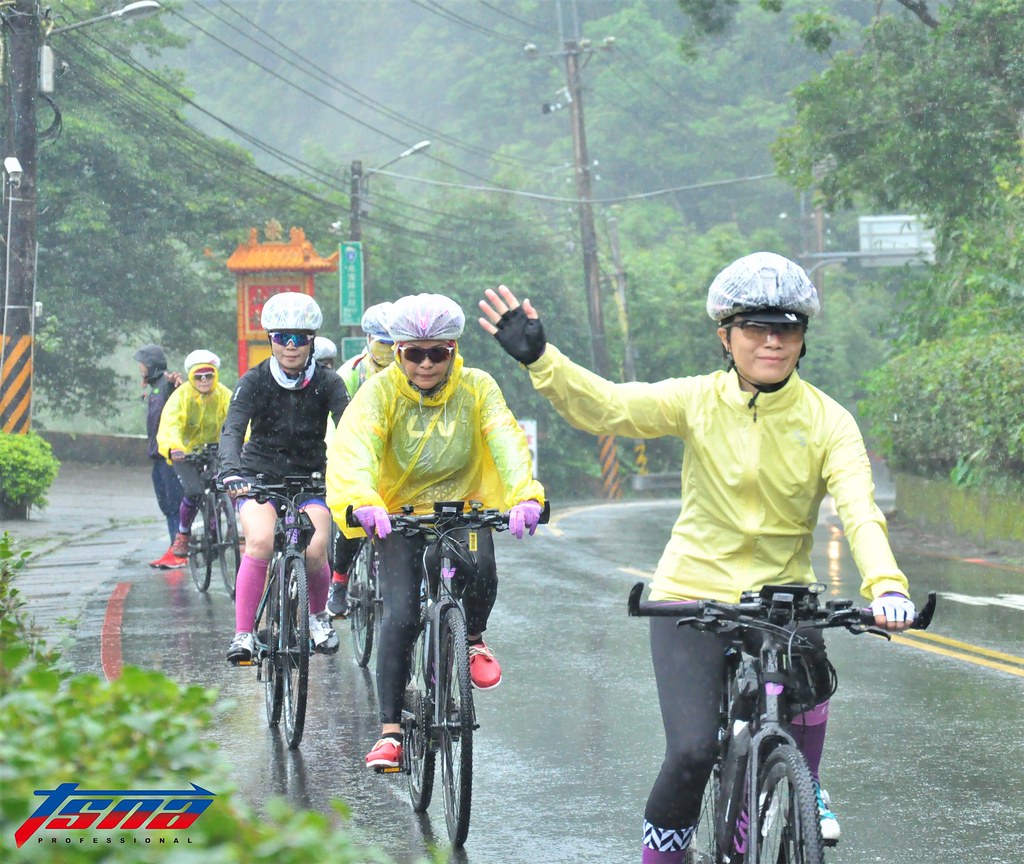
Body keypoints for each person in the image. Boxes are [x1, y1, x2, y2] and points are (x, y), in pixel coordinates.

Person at [477, 253, 917, 863]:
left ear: (802, 338)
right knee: (689, 754)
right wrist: (542, 361)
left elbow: (859, 509)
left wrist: (887, 587)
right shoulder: (696, 400)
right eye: (756, 327)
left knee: (811, 677)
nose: (772, 340)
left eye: (786, 328)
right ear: (725, 337)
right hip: (690, 593)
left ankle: (805, 786)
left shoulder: (829, 421)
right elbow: (606, 407)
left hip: (783, 595)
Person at [326, 292, 545, 771]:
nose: (426, 364)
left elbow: (506, 438)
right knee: (401, 615)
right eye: (414, 353)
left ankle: (473, 639)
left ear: (453, 351)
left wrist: (526, 493)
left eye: (437, 353)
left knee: (482, 566)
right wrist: (363, 502)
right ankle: (390, 732)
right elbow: (355, 448)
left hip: (461, 509)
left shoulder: (478, 387)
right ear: (399, 352)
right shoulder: (379, 392)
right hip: (396, 515)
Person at [219, 292, 350, 665]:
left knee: (315, 549)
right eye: (282, 337)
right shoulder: (253, 380)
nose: (290, 346)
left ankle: (317, 618)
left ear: (311, 340)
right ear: (270, 340)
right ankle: (244, 634)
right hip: (258, 478)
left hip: (310, 480)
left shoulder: (329, 381)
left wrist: (359, 473)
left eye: (299, 337)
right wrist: (231, 472)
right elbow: (232, 430)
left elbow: (353, 429)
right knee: (259, 541)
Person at [326, 301, 396, 619]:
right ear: (368, 339)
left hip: (397, 461)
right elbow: (333, 425)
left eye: (394, 342)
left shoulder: (409, 368)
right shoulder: (350, 373)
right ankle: (339, 581)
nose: (389, 349)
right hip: (357, 456)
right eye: (383, 342)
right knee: (354, 524)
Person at [155, 349, 233, 559]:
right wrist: (174, 447)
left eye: (209, 375)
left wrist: (244, 442)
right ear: (191, 377)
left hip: (217, 449)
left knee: (229, 483)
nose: (204, 380)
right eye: (199, 376)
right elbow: (170, 424)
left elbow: (240, 420)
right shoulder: (181, 396)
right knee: (194, 491)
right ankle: (183, 533)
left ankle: (230, 523)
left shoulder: (224, 394)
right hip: (186, 453)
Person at [133, 344, 185, 569]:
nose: (140, 369)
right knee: (167, 504)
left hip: (169, 456)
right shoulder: (155, 387)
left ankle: (179, 550)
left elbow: (177, 398)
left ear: (151, 365)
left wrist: (175, 385)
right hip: (158, 456)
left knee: (175, 504)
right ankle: (174, 546)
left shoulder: (167, 385)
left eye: (142, 365)